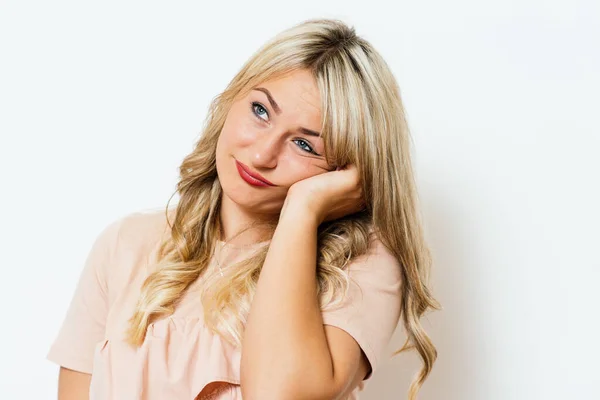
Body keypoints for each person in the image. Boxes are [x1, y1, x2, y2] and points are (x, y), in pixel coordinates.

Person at [46, 18, 441, 400]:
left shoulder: (359, 265)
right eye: (260, 111)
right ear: (232, 98)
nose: (262, 153)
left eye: (305, 145)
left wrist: (302, 210)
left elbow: (280, 395)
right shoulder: (126, 244)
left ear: (345, 171)